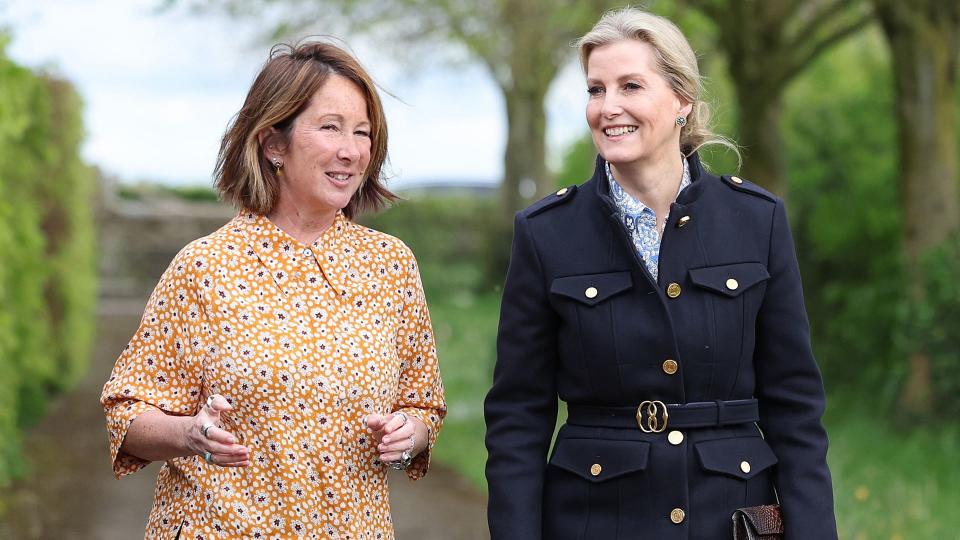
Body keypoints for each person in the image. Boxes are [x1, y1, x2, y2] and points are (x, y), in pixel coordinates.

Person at [484, 7, 836, 539]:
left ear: (682, 100)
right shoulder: (546, 233)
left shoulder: (756, 221)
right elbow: (518, 416)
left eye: (630, 86)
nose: (609, 108)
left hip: (730, 516)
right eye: (595, 90)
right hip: (595, 519)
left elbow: (795, 407)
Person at [101, 40, 445, 540]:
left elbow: (423, 404)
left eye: (363, 132)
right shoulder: (204, 268)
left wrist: (407, 435)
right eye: (330, 127)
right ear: (272, 144)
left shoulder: (392, 266)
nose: (351, 150)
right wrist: (188, 434)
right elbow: (126, 411)